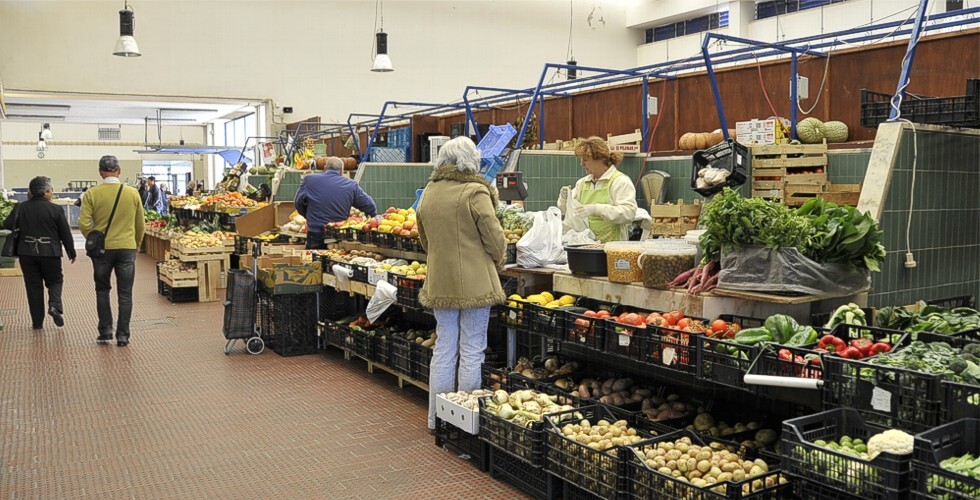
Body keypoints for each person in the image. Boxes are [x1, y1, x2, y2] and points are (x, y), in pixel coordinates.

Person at [416, 137, 507, 431]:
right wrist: (499, 259)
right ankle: (464, 421)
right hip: (475, 283)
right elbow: (494, 238)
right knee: (471, 350)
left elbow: (424, 238)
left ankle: (436, 418)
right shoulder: (475, 191)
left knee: (444, 348)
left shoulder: (430, 191)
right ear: (472, 160)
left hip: (440, 279)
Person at [78, 155, 145, 347]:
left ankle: (105, 331)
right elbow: (140, 223)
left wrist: (94, 238)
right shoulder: (132, 193)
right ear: (119, 170)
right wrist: (137, 243)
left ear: (100, 171)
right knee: (125, 293)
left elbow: (83, 223)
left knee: (102, 290)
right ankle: (123, 335)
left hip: (102, 251)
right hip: (126, 248)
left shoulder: (91, 194)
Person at [2, 176, 77, 330]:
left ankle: (37, 322)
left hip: (27, 253)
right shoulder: (55, 209)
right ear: (46, 192)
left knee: (33, 286)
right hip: (51, 252)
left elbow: (7, 224)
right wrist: (71, 251)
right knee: (55, 280)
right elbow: (65, 233)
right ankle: (54, 305)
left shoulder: (21, 207)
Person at [558, 136, 638, 243]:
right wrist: (564, 199)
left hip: (612, 247)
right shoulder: (582, 184)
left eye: (585, 160)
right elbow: (567, 212)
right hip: (586, 246)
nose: (582, 164)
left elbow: (629, 213)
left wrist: (597, 209)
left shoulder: (620, 182)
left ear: (600, 159)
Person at [293, 156, 377, 250]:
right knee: (337, 259)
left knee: (314, 261)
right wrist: (372, 223)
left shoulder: (309, 180)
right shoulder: (351, 185)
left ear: (325, 168)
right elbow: (370, 206)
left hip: (315, 233)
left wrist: (309, 216)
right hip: (340, 235)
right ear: (341, 170)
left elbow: (297, 203)